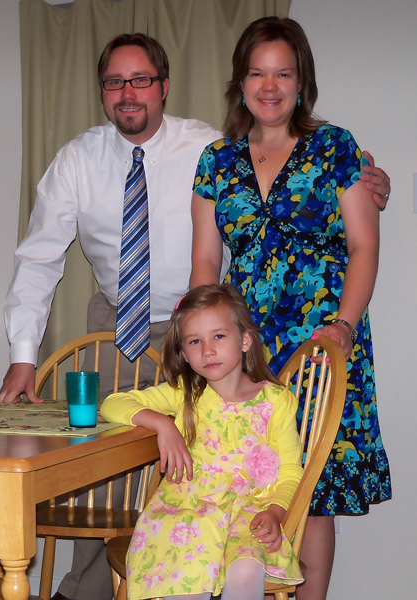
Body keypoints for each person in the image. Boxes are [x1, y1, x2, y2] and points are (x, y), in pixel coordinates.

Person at [0, 30, 390, 600]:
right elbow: (42, 259)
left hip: (300, 335)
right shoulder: (141, 158)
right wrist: (23, 357)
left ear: (164, 86)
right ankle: (96, 589)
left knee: (307, 484)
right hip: (194, 331)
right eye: (115, 82)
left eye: (142, 80)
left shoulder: (237, 144)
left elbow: (358, 234)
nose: (129, 93)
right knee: (110, 461)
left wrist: (372, 183)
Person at [190, 17, 392, 600]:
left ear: (302, 81)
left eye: (283, 72)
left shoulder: (336, 148)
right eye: (257, 72)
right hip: (243, 347)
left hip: (324, 343)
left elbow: (364, 246)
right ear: (240, 82)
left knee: (312, 490)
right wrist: (201, 340)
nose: (269, 85)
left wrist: (345, 329)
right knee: (242, 482)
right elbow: (206, 264)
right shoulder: (216, 161)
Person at [100, 283, 304, 600]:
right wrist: (162, 425)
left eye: (219, 336)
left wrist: (277, 512)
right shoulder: (185, 394)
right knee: (189, 571)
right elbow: (112, 404)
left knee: (246, 569)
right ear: (183, 352)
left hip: (248, 513)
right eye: (195, 341)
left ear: (245, 340)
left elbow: (291, 470)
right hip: (188, 510)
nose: (207, 350)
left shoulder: (276, 401)